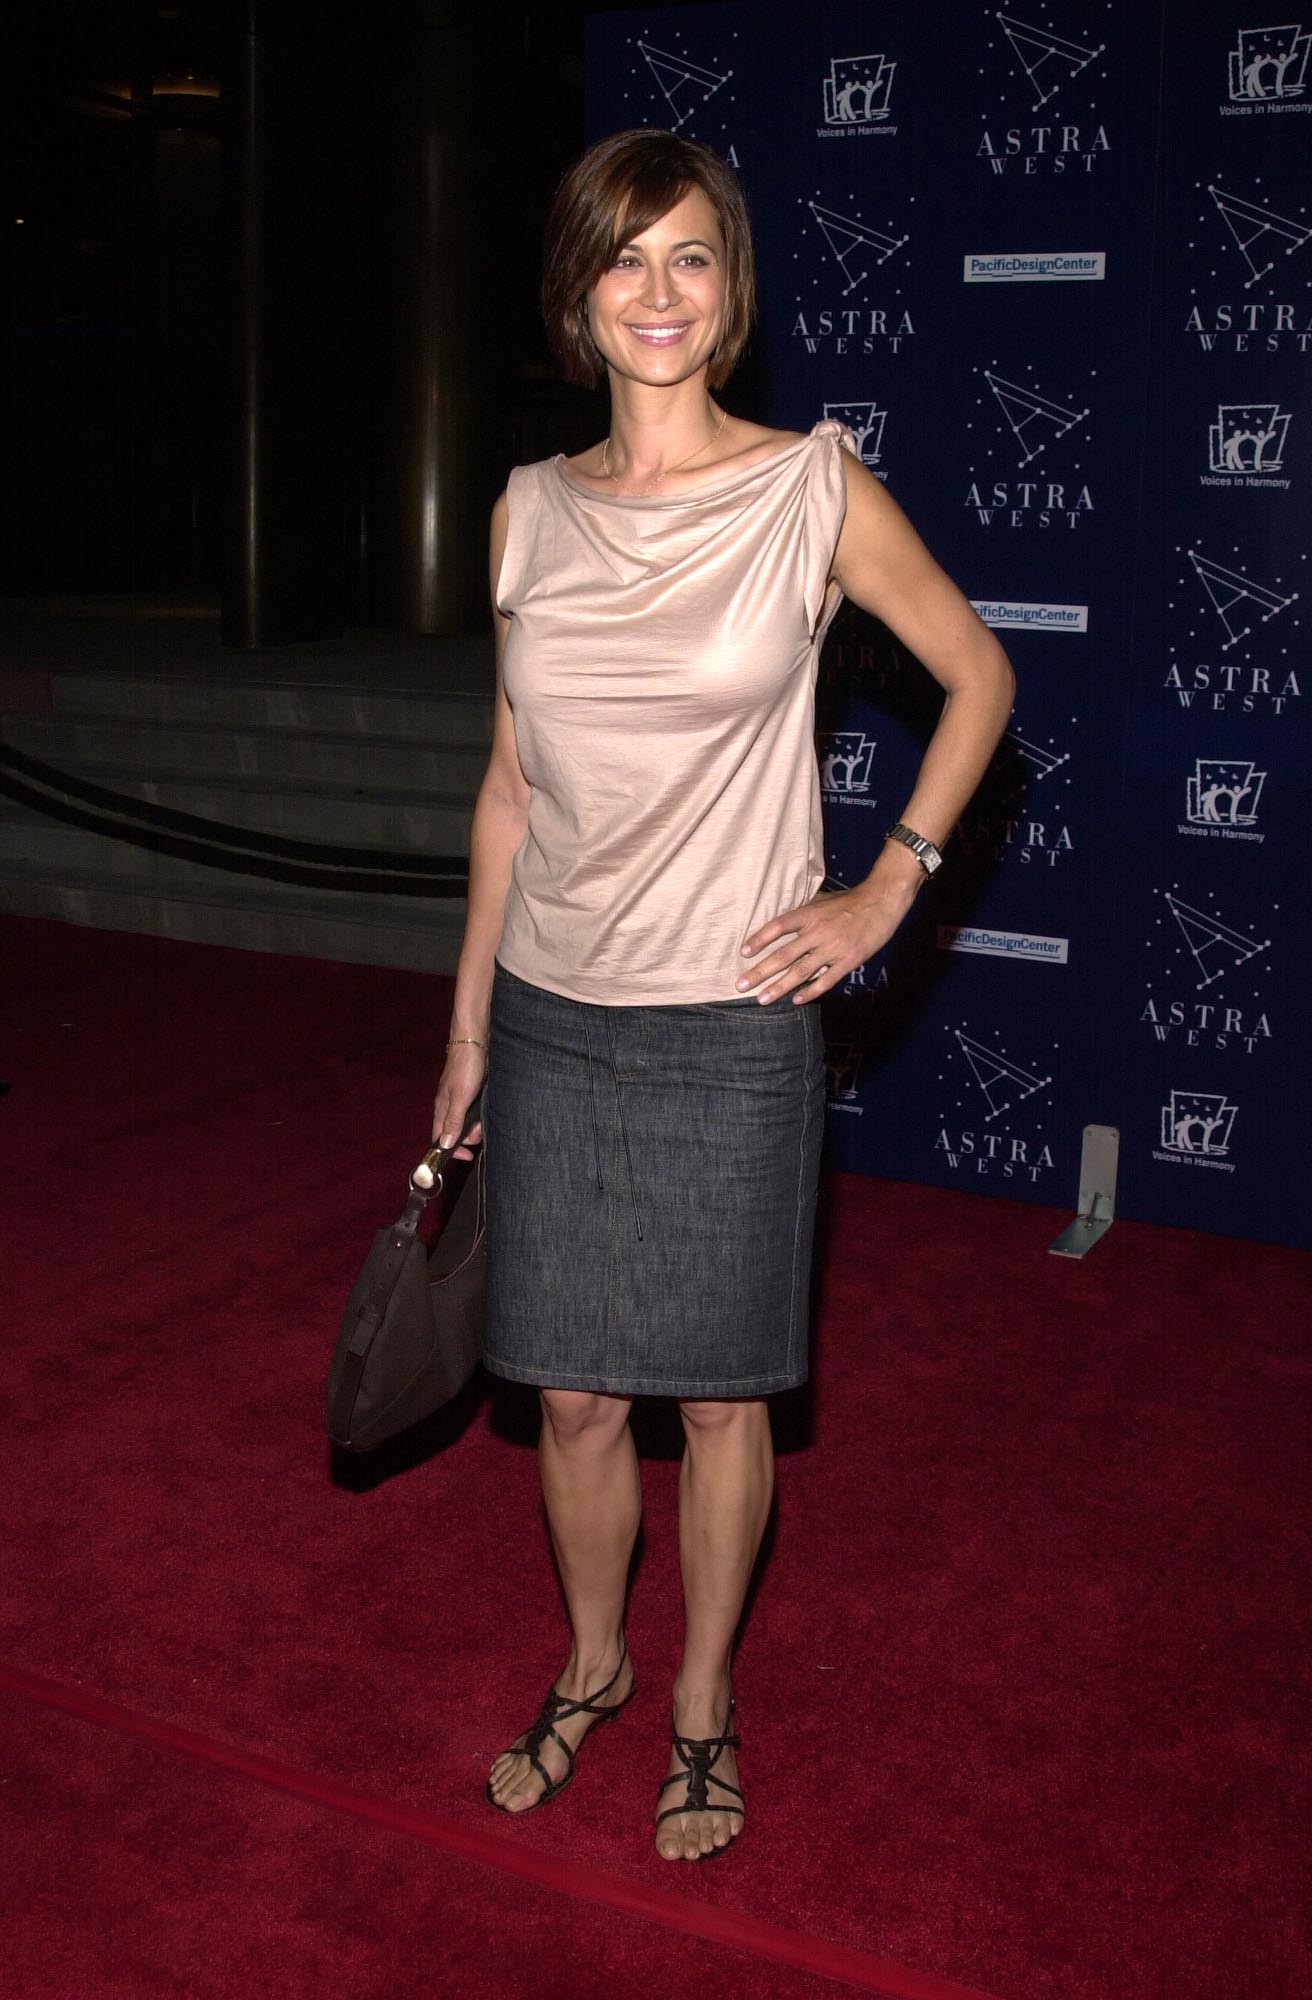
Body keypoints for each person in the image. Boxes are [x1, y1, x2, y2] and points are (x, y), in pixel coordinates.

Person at [431, 127, 1014, 1863]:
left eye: (692, 255)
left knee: (717, 1399)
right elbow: (508, 791)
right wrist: (465, 1029)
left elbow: (979, 675)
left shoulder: (810, 488)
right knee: (573, 1395)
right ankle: (594, 1664)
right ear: (578, 291)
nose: (660, 291)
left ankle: (701, 1700)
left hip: (731, 1024)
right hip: (553, 1007)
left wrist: (886, 885)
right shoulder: (527, 511)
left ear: (731, 287)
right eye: (625, 257)